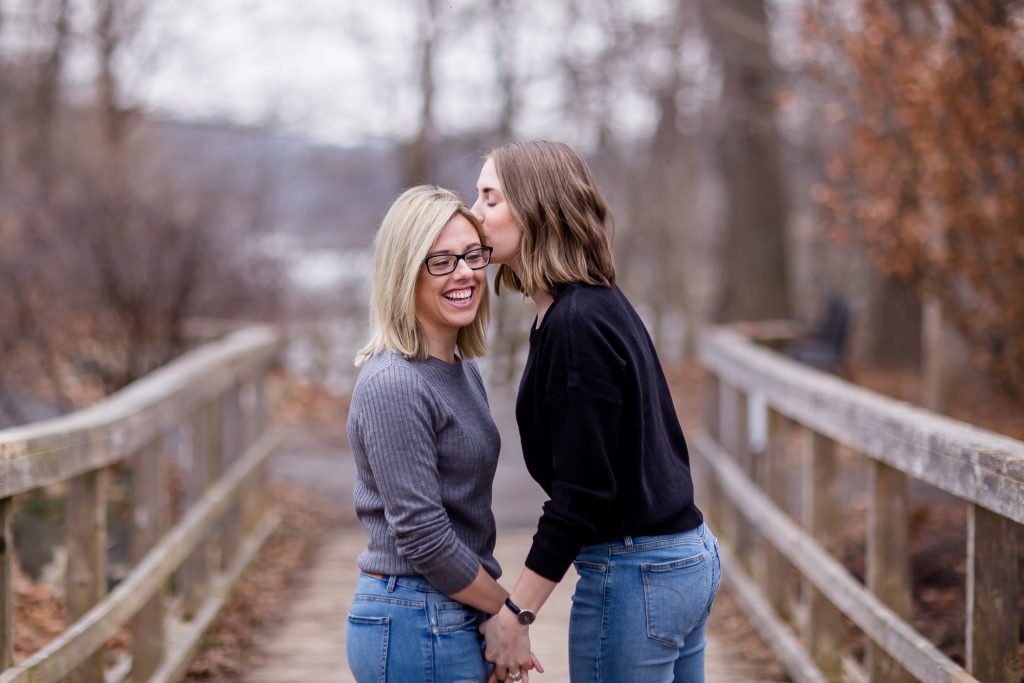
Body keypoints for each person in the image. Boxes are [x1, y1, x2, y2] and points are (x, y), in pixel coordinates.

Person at [471, 141, 721, 682]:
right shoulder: (588, 304)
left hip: (640, 573)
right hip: (679, 559)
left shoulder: (576, 325)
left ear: (535, 208)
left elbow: (584, 494)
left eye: (489, 198)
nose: (474, 214)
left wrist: (517, 613)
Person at [345, 185, 542, 682]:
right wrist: (508, 614)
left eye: (473, 256)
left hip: (453, 607)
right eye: (441, 261)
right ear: (403, 272)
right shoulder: (394, 382)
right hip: (415, 617)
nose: (465, 274)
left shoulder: (459, 368)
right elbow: (423, 535)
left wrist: (492, 615)